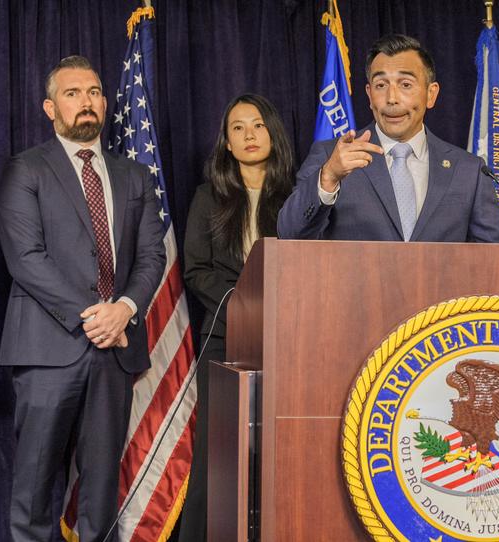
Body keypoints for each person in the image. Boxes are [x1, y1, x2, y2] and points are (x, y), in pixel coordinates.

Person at [0, 55, 166, 541]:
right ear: (51, 108)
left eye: (93, 92)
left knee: (101, 488)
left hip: (115, 351)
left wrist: (125, 310)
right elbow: (25, 258)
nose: (86, 102)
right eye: (72, 94)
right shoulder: (25, 169)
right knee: (33, 488)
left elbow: (151, 255)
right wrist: (94, 317)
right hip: (48, 349)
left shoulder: (133, 175)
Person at [178, 93, 294, 541]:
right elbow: (196, 270)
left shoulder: (296, 195)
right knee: (218, 455)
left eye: (258, 125)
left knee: (278, 451)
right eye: (238, 128)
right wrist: (243, 304)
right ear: (226, 143)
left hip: (286, 337)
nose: (249, 135)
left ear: (273, 133)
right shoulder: (209, 196)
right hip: (224, 339)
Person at [277, 34, 499, 243]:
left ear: (431, 94)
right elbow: (290, 235)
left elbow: (496, 262)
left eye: (406, 84)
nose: (392, 98)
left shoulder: (469, 172)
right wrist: (328, 178)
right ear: (369, 95)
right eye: (381, 85)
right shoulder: (331, 157)